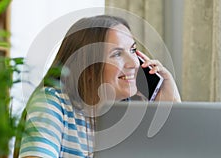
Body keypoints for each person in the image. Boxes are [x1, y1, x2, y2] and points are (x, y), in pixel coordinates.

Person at [15, 15, 181, 158]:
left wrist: (170, 102)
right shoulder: (52, 104)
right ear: (86, 68)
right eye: (117, 54)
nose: (134, 63)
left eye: (133, 50)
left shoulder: (132, 111)